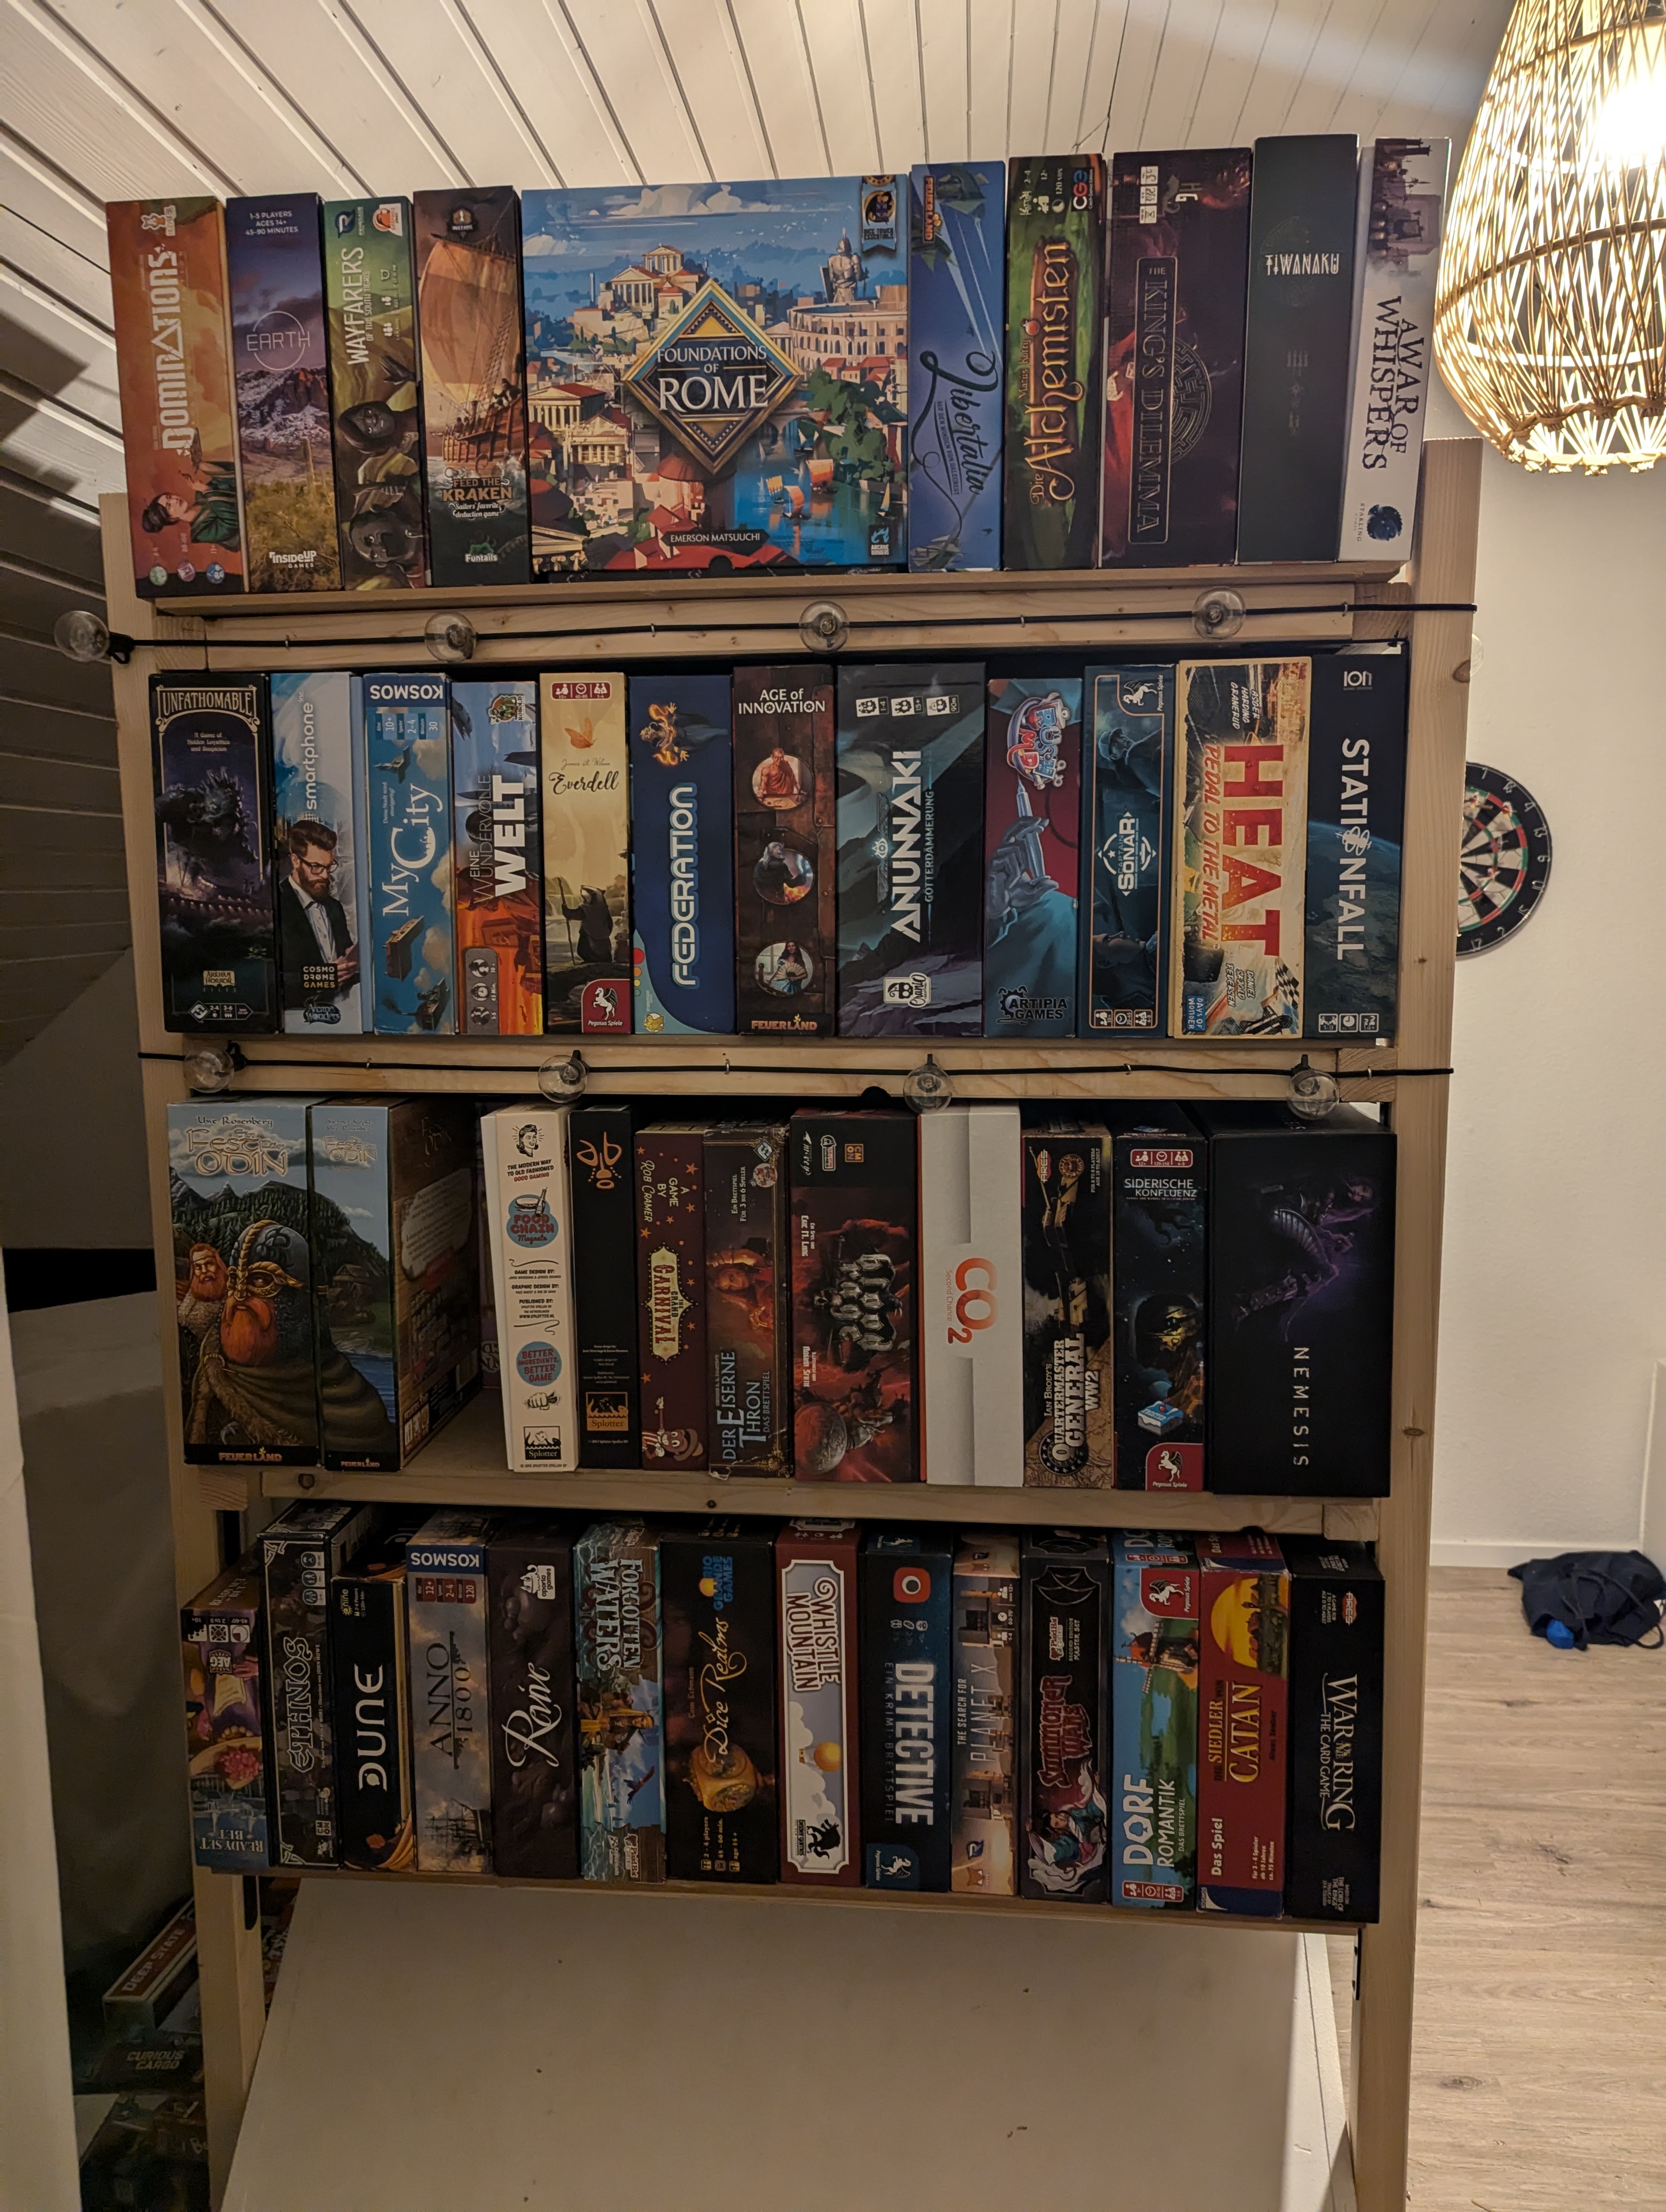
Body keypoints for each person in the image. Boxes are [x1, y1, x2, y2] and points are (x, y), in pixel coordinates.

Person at [278, 819, 358, 1008]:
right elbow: (272, 979)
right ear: (295, 860)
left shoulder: (334, 907)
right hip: (297, 1014)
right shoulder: (277, 905)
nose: (324, 875)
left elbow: (345, 957)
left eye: (329, 867)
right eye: (316, 867)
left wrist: (352, 963)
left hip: (342, 1008)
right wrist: (324, 977)